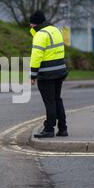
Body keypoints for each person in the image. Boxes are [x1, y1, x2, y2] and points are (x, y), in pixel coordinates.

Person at [29, 10, 68, 138]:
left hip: (47, 74)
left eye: (31, 24)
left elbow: (36, 56)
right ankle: (63, 128)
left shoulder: (40, 35)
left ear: (35, 24)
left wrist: (33, 75)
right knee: (57, 99)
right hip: (60, 71)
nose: (30, 26)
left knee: (49, 101)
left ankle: (49, 129)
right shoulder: (55, 30)